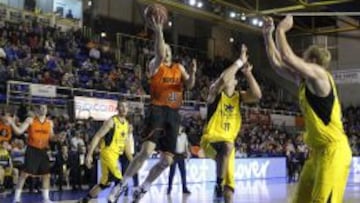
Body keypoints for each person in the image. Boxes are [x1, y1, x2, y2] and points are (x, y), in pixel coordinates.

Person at [263, 15, 351, 203]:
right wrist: (267, 36)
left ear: (311, 59)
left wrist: (281, 30)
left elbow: (287, 57)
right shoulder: (305, 82)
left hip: (333, 151)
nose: (300, 61)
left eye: (304, 58)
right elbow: (277, 65)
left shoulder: (320, 75)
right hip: (317, 153)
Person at [108, 15, 196, 203]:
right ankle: (122, 185)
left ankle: (143, 188)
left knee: (167, 161)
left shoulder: (179, 68)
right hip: (157, 110)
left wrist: (193, 73)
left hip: (173, 115)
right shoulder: (155, 66)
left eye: (167, 50)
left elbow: (189, 84)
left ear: (171, 53)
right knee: (146, 151)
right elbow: (158, 51)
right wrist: (159, 31)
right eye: (162, 50)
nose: (164, 52)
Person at [200, 44, 262, 203]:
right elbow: (223, 78)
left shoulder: (239, 97)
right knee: (227, 145)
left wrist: (248, 74)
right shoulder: (214, 95)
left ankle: (219, 188)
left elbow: (257, 95)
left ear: (235, 83)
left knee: (229, 190)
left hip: (228, 146)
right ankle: (218, 184)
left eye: (233, 78)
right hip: (210, 141)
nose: (231, 78)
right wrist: (240, 62)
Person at [6, 104, 65, 203]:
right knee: (24, 174)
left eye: (45, 108)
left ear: (47, 110)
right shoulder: (30, 120)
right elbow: (19, 132)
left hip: (43, 150)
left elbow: (51, 137)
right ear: (38, 110)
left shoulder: (49, 123)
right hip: (32, 149)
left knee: (46, 175)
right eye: (41, 108)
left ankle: (46, 199)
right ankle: (16, 198)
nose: (43, 109)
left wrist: (58, 137)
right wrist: (12, 123)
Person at [78, 100, 133, 203]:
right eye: (121, 106)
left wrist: (132, 160)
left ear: (128, 109)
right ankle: (111, 200)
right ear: (117, 108)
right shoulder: (111, 121)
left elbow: (126, 145)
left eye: (126, 106)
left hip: (115, 156)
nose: (124, 108)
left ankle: (84, 201)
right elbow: (98, 136)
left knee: (105, 183)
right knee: (121, 182)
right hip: (107, 153)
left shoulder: (126, 125)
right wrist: (89, 154)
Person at [167, 125, 191, 195]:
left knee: (183, 173)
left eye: (181, 127)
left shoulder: (184, 135)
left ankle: (184, 188)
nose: (180, 128)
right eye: (178, 127)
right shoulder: (173, 135)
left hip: (181, 155)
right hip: (174, 155)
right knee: (172, 172)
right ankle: (169, 188)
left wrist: (188, 153)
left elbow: (186, 145)